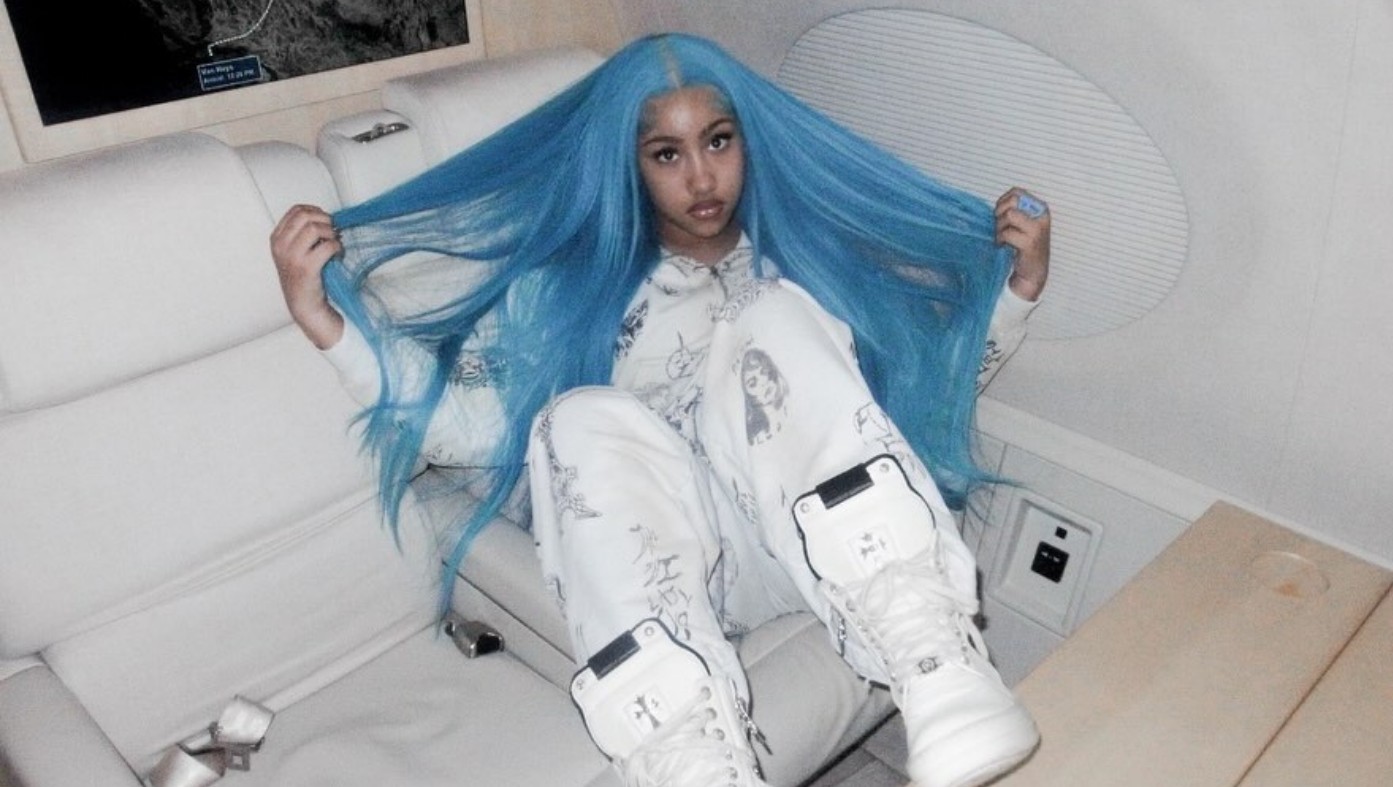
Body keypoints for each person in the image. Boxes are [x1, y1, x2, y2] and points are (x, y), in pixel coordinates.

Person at [271, 33, 1049, 787]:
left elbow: (911, 387)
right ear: (630, 164)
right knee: (576, 418)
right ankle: (695, 764)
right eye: (667, 154)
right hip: (668, 577)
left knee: (772, 314)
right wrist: (327, 324)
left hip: (812, 546)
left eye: (719, 141)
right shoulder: (566, 290)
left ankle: (935, 668)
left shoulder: (805, 258)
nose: (702, 178)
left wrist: (1015, 290)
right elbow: (464, 423)